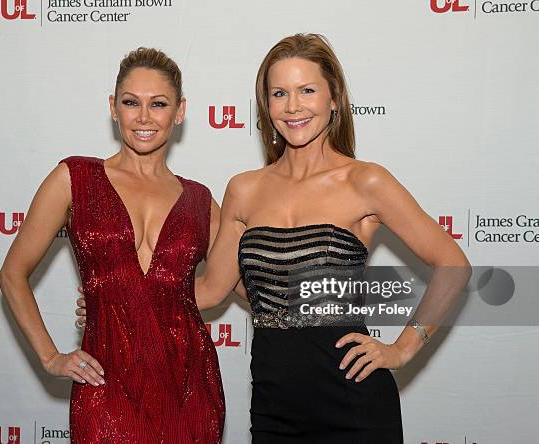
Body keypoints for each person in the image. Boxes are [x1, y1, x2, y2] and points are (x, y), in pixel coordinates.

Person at [77, 34, 471, 443]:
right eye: (279, 93)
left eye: (307, 90)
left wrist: (403, 348)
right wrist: (119, 303)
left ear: (334, 97)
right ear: (266, 105)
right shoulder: (244, 189)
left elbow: (454, 265)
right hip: (273, 404)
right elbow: (211, 289)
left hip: (354, 400)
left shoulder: (365, 181)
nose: (293, 106)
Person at [0, 47, 229, 443]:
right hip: (105, 386)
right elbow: (12, 275)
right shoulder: (74, 178)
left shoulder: (200, 200)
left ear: (180, 111)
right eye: (130, 102)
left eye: (158, 104)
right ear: (112, 107)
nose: (143, 117)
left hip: (191, 388)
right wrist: (51, 357)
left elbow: (241, 285)